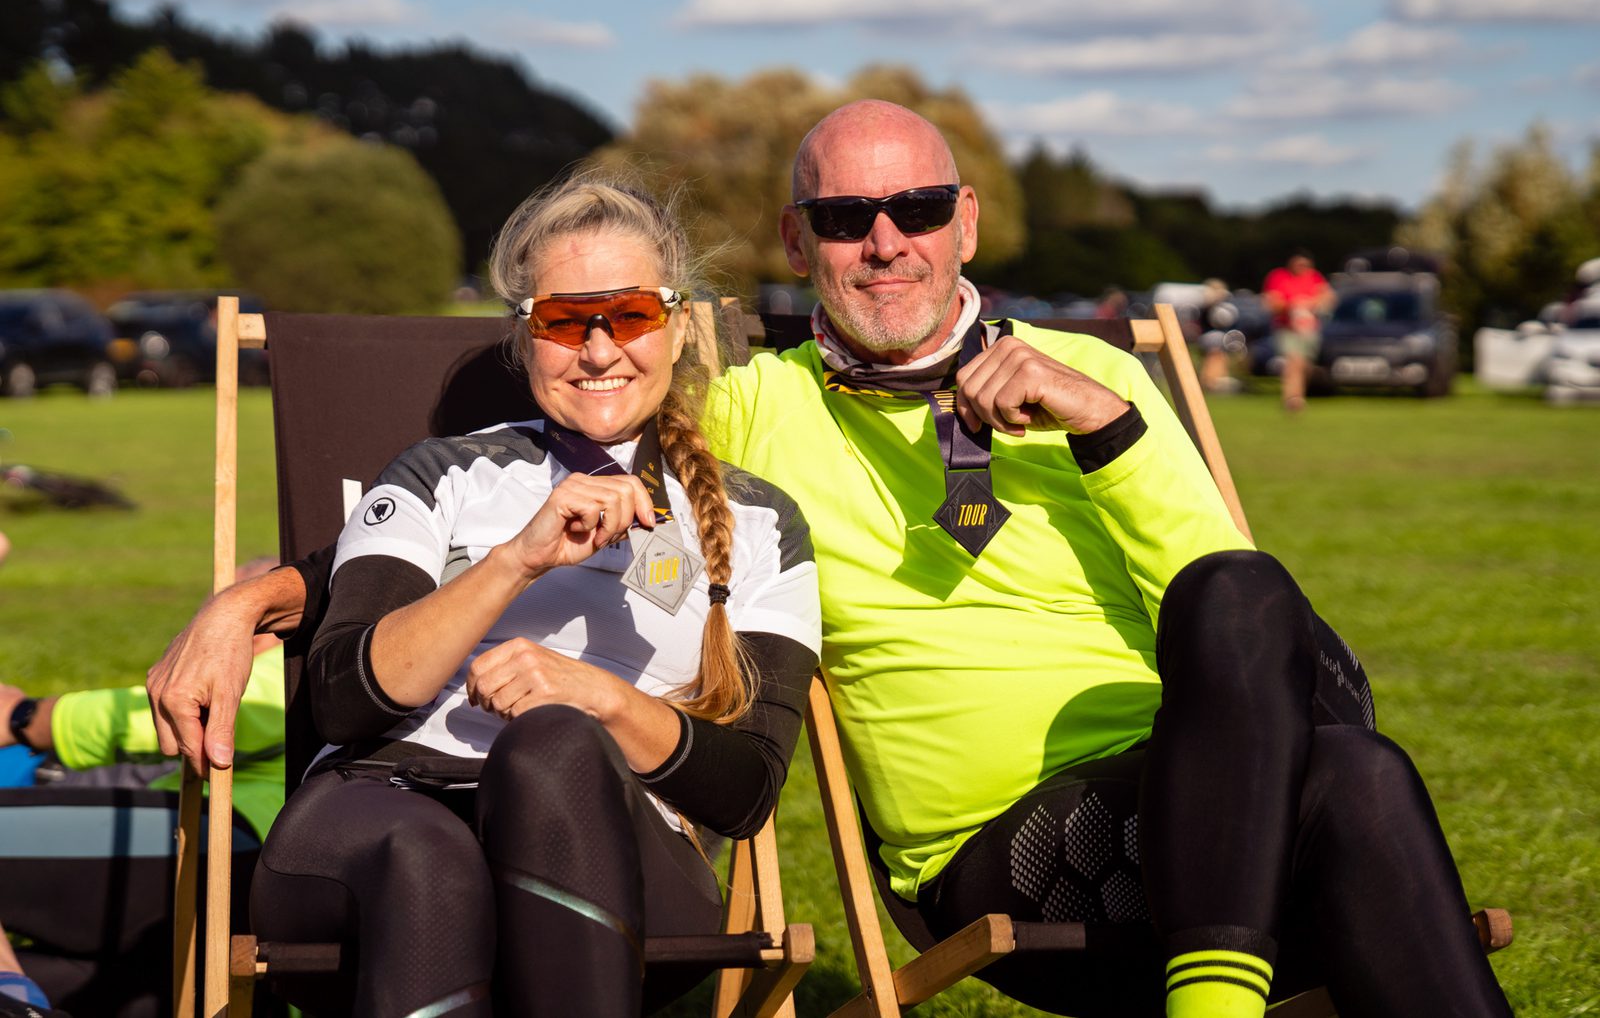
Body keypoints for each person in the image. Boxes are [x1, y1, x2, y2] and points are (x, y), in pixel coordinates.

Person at [151, 103, 1509, 1018]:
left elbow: (1252, 632)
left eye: (917, 207)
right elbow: (457, 513)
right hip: (1017, 840)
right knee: (1362, 781)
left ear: (966, 222)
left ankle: (1212, 993)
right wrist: (259, 590)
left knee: (1270, 633)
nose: (887, 242)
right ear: (799, 244)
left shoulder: (1097, 374)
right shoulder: (751, 417)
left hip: (1205, 782)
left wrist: (1107, 431)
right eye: (848, 219)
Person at [246, 176, 820, 1017]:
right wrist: (515, 560)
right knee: (426, 858)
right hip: (381, 806)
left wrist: (597, 698)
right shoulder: (439, 474)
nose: (597, 351)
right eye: (562, 321)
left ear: (677, 326)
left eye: (629, 315)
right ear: (525, 336)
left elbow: (745, 789)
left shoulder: (759, 522)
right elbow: (341, 700)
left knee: (554, 743)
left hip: (618, 836)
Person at [1, 553, 286, 1018]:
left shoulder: (303, 662)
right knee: (55, 979)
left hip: (236, 846)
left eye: (253, 624)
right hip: (215, 878)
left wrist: (26, 718)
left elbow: (214, 706)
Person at [1261, 250, 1334, 411]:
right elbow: (1271, 301)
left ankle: (1298, 394)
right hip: (1287, 328)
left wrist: (1309, 304)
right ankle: (1292, 398)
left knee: (1304, 365)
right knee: (1294, 362)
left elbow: (1328, 297)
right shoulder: (1279, 277)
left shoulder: (1314, 277)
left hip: (1308, 329)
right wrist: (1292, 306)